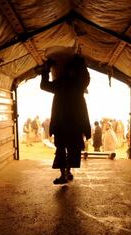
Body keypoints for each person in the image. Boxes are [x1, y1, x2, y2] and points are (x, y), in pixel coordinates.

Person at [40, 49, 91, 185]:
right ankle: (66, 173)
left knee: (63, 150)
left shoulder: (62, 83)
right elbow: (86, 77)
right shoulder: (78, 85)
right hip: (73, 124)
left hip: (62, 123)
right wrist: (81, 62)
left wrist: (46, 69)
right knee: (69, 150)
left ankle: (65, 173)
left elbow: (44, 85)